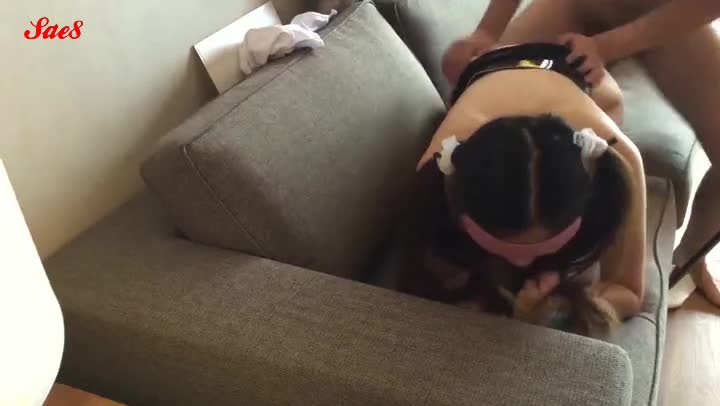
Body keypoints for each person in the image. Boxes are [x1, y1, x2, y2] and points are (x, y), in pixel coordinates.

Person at [441, 0, 720, 306]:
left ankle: (687, 262)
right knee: (490, 98)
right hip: (576, 5)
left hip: (667, 16)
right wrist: (486, 32)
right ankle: (512, 260)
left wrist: (606, 46)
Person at [397, 41, 647, 336]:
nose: (523, 262)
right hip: (493, 63)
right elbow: (422, 283)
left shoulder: (618, 158)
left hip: (572, 72)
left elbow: (628, 293)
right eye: (500, 245)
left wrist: (561, 311)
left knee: (606, 94)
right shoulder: (439, 168)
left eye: (546, 246)